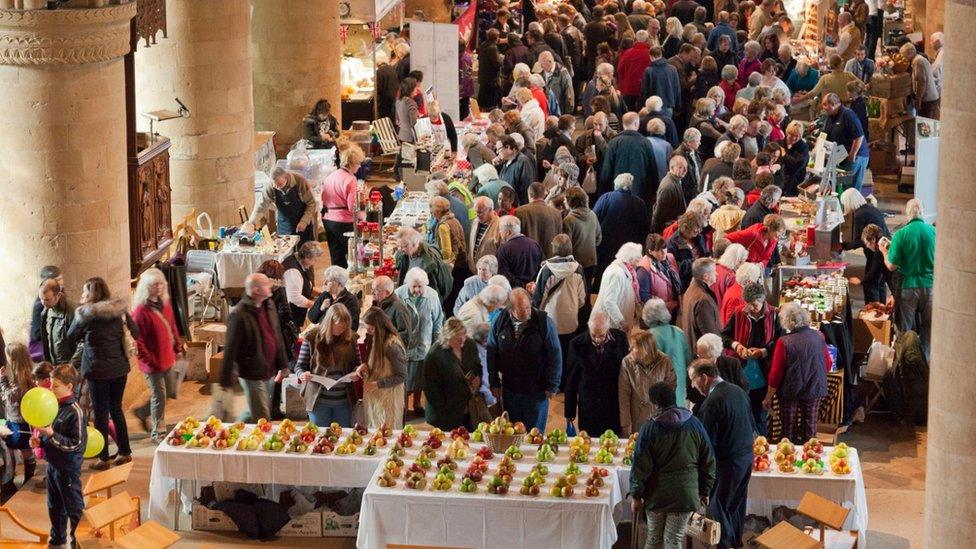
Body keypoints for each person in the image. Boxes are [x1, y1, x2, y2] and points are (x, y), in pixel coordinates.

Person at [630, 382, 715, 549]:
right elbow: (708, 459)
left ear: (655, 404)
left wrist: (636, 495)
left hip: (656, 496)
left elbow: (640, 466)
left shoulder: (649, 429)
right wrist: (705, 490)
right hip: (685, 495)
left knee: (653, 539)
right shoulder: (694, 424)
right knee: (674, 540)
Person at [66, 277, 135, 470]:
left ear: (91, 293)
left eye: (84, 291)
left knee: (100, 414)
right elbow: (134, 330)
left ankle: (103, 457)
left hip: (98, 371)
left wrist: (83, 347)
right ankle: (125, 452)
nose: (83, 295)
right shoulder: (119, 310)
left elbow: (70, 337)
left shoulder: (85, 315)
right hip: (120, 369)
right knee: (116, 409)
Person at [688, 358, 754, 549]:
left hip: (728, 464)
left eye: (693, 380)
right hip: (746, 458)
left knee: (718, 510)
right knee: (736, 507)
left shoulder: (712, 401)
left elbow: (707, 445)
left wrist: (702, 481)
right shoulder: (737, 391)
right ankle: (735, 544)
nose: (693, 385)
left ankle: (725, 546)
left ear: (705, 377)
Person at [487, 288, 562, 431]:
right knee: (512, 431)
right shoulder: (499, 321)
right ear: (511, 309)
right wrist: (494, 382)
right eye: (522, 309)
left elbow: (555, 354)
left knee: (534, 433)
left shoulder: (544, 322)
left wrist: (553, 384)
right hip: (510, 389)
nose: (527, 311)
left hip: (536, 391)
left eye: (528, 306)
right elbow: (492, 352)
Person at [220, 273, 288, 424]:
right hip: (252, 373)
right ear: (256, 290)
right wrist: (225, 383)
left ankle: (237, 425)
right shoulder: (238, 315)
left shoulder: (268, 304)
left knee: (257, 410)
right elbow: (230, 350)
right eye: (266, 284)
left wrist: (283, 365)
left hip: (268, 370)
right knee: (263, 418)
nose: (270, 285)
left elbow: (277, 336)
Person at [31, 364, 85, 549]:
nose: (50, 389)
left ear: (69, 387)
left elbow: (76, 444)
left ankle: (77, 543)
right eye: (51, 385)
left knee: (74, 508)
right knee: (54, 506)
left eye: (55, 386)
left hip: (68, 469)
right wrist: (41, 442)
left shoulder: (75, 411)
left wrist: (51, 435)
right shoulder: (54, 406)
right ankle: (57, 539)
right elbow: (50, 434)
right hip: (53, 466)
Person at [763, 302, 832, 442]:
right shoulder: (819, 336)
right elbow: (828, 364)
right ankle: (810, 459)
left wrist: (768, 397)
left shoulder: (784, 342)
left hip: (790, 391)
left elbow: (775, 374)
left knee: (788, 429)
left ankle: (788, 458)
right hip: (814, 388)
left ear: (786, 321)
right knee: (810, 428)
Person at [130, 268, 184, 443]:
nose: (159, 287)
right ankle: (158, 431)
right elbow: (138, 340)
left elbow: (172, 326)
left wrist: (177, 346)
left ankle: (142, 411)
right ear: (146, 287)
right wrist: (149, 360)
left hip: (167, 357)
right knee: (159, 395)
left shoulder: (165, 304)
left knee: (168, 392)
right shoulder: (140, 311)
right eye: (155, 284)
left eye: (161, 283)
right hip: (152, 364)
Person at [723, 282, 780, 434]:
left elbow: (780, 342)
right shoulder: (738, 313)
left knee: (759, 414)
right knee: (742, 414)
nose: (750, 308)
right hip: (742, 371)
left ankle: (761, 444)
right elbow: (724, 336)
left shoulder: (775, 315)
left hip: (763, 372)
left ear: (763, 300)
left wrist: (763, 351)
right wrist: (736, 346)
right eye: (748, 304)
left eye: (754, 304)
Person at [880, 199, 935, 357]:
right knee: (928, 328)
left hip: (908, 287)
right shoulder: (934, 232)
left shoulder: (901, 234)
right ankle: (923, 363)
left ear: (907, 213)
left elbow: (891, 266)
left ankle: (905, 363)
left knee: (905, 330)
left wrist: (884, 252)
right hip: (930, 286)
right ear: (922, 213)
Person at [532, 234, 588, 387]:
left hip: (551, 319)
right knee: (567, 353)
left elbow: (539, 299)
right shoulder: (578, 269)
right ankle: (566, 383)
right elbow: (582, 298)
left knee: (552, 354)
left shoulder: (547, 270)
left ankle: (553, 382)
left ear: (554, 248)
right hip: (571, 319)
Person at [565, 310, 628, 434]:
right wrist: (569, 413)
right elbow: (571, 380)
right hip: (589, 405)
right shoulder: (576, 344)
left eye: (602, 335)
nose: (598, 339)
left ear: (608, 328)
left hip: (613, 404)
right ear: (589, 328)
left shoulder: (621, 339)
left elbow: (627, 373)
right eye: (594, 335)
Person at [295, 304, 358, 427]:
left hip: (344, 400)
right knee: (320, 437)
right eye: (338, 326)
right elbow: (299, 366)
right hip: (318, 400)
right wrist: (303, 374)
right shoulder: (312, 337)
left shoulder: (351, 338)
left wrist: (357, 372)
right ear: (329, 322)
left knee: (343, 437)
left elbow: (357, 364)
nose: (341, 330)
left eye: (344, 327)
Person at [395, 268, 444, 419]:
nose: (417, 290)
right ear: (408, 284)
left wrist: (437, 344)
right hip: (404, 346)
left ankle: (417, 404)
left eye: (420, 286)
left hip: (424, 343)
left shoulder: (432, 296)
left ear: (425, 285)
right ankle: (402, 407)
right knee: (404, 379)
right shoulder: (398, 295)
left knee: (420, 379)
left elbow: (437, 321)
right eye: (413, 286)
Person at [423, 318, 481, 431]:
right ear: (447, 338)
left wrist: (477, 378)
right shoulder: (434, 355)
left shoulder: (469, 345)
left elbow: (477, 366)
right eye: (458, 338)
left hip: (468, 407)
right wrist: (446, 408)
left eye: (464, 335)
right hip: (446, 414)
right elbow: (430, 388)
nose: (462, 340)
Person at [356, 307, 408, 429]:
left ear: (379, 327)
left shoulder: (392, 346)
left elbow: (402, 376)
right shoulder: (376, 339)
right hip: (376, 397)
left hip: (389, 399)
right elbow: (378, 364)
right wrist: (365, 366)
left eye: (371, 329)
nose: (368, 332)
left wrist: (377, 384)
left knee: (387, 433)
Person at [619, 330, 678, 436]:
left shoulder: (664, 361)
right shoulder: (627, 362)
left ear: (644, 349)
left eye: (633, 347)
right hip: (636, 417)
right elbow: (624, 394)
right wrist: (626, 423)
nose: (629, 349)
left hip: (659, 416)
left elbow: (671, 389)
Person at [600, 112, 660, 208]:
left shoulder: (614, 142)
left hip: (617, 193)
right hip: (641, 192)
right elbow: (652, 169)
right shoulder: (645, 142)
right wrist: (655, 190)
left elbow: (607, 169)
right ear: (637, 124)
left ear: (623, 124)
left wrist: (603, 191)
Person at [321, 143, 365, 267]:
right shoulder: (350, 179)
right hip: (344, 222)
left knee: (336, 256)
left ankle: (337, 282)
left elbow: (324, 197)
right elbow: (353, 207)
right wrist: (363, 216)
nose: (359, 166)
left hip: (328, 220)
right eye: (358, 163)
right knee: (355, 255)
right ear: (351, 163)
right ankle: (353, 283)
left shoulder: (330, 176)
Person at [248, 166, 317, 245]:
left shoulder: (300, 182)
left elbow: (311, 203)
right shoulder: (271, 186)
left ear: (286, 177)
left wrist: (305, 221)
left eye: (279, 184)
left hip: (302, 222)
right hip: (284, 224)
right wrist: (251, 223)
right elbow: (261, 206)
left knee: (305, 252)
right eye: (275, 185)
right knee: (285, 251)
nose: (277, 187)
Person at [1, 343, 38, 487]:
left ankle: (28, 478)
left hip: (20, 421)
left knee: (25, 449)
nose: (7, 359)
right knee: (10, 447)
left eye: (8, 356)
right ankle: (10, 480)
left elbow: (10, 397)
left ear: (14, 359)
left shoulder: (22, 377)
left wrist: (2, 380)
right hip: (13, 419)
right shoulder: (21, 373)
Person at [819, 93, 869, 192]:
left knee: (850, 191)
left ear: (833, 104)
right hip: (841, 155)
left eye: (825, 104)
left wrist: (852, 156)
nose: (823, 107)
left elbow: (859, 136)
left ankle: (851, 207)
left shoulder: (848, 114)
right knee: (839, 188)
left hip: (856, 155)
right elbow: (825, 134)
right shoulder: (830, 116)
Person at [594, 243, 644, 332]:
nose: (638, 264)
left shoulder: (628, 271)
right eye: (637, 260)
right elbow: (609, 301)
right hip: (611, 325)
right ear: (629, 259)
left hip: (617, 324)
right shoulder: (616, 274)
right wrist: (621, 322)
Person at [393, 226, 453, 299]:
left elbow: (446, 284)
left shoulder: (431, 261)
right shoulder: (405, 255)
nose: (401, 250)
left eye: (404, 246)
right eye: (400, 246)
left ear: (415, 244)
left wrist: (436, 300)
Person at [679, 258, 721, 353]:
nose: (717, 274)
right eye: (714, 271)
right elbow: (709, 335)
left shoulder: (690, 290)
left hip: (693, 349)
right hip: (705, 355)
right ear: (705, 276)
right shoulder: (703, 300)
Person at [515, 182, 564, 257]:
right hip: (550, 260)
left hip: (528, 258)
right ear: (544, 195)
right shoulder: (556, 214)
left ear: (530, 194)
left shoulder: (519, 212)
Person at [495, 215, 544, 288]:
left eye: (500, 230)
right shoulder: (534, 244)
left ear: (507, 233)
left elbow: (504, 275)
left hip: (514, 292)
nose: (499, 233)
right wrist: (532, 285)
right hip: (534, 289)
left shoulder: (503, 249)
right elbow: (542, 267)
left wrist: (524, 286)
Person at [280, 241, 321, 326]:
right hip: (289, 314)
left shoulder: (301, 261)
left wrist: (322, 294)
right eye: (315, 260)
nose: (315, 262)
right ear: (306, 257)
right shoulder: (293, 272)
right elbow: (295, 298)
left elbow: (306, 286)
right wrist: (317, 306)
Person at [308, 265, 361, 331]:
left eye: (328, 281)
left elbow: (353, 327)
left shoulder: (351, 300)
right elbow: (311, 318)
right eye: (325, 280)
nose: (324, 283)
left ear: (339, 284)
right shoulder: (325, 295)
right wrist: (321, 309)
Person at [37, 279, 77, 366]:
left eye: (47, 299)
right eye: (41, 299)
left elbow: (82, 344)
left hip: (69, 369)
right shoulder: (46, 309)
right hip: (54, 366)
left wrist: (71, 367)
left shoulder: (72, 311)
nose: (43, 303)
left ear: (58, 295)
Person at [901, 42, 940, 120]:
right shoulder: (917, 60)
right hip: (927, 98)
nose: (904, 58)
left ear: (909, 53)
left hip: (927, 99)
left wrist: (918, 99)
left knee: (925, 123)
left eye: (904, 55)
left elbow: (922, 81)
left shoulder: (918, 61)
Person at [651, 155, 689, 235]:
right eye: (680, 167)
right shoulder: (668, 187)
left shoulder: (676, 180)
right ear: (672, 168)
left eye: (686, 167)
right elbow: (659, 213)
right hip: (668, 230)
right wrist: (654, 231)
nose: (685, 170)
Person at [640, 46, 682, 116]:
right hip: (669, 105)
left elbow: (645, 90)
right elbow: (677, 88)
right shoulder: (672, 69)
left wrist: (641, 105)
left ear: (652, 56)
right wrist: (678, 106)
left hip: (653, 106)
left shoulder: (649, 71)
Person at [617, 30, 654, 110]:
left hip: (629, 88)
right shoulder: (650, 54)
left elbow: (620, 69)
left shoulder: (628, 53)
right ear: (647, 40)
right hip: (644, 89)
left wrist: (625, 80)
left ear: (635, 39)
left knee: (629, 113)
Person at [496, 136, 537, 204]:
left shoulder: (523, 162)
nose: (497, 152)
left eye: (499, 149)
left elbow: (526, 189)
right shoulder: (505, 161)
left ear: (508, 147)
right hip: (508, 205)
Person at [478, 29, 503, 110]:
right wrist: (501, 58)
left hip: (483, 76)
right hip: (491, 79)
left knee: (483, 99)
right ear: (496, 37)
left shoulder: (483, 45)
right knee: (491, 102)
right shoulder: (493, 48)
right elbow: (497, 63)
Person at [375, 51, 399, 121]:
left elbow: (378, 88)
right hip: (393, 98)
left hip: (385, 101)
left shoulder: (379, 71)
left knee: (384, 121)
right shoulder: (391, 68)